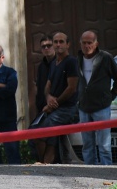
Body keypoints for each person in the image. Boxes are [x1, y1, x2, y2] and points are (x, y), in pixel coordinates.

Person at [35, 32, 79, 164]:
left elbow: (72, 88)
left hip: (67, 109)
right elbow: (47, 86)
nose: (58, 44)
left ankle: (44, 164)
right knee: (44, 136)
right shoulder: (54, 63)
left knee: (40, 134)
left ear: (68, 44)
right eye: (56, 42)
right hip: (54, 109)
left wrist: (55, 103)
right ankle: (46, 165)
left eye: (61, 42)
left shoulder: (71, 62)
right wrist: (48, 98)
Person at [76, 30, 117, 165]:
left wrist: (111, 95)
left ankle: (106, 173)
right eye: (84, 43)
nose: (87, 46)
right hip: (84, 107)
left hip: (101, 107)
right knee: (87, 145)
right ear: (80, 44)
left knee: (104, 146)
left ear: (96, 44)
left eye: (90, 43)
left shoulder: (105, 58)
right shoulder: (78, 59)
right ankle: (90, 171)